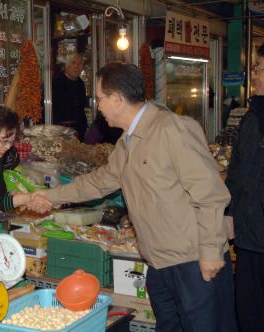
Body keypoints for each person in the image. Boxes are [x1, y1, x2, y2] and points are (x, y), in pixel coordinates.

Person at [35, 62, 237, 331]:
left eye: (101, 98)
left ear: (117, 98)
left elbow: (210, 193)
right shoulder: (127, 142)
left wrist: (211, 251)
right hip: (158, 262)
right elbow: (99, 182)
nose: (99, 106)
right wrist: (51, 195)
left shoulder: (171, 129)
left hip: (193, 262)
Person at [225, 43, 264, 332]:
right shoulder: (250, 119)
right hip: (249, 238)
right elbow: (236, 173)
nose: (254, 73)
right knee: (247, 312)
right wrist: (229, 213)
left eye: (259, 68)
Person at [52, 53, 88, 141]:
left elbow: (81, 107)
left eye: (79, 64)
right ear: (66, 66)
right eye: (73, 63)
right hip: (61, 129)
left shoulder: (81, 84)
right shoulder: (56, 82)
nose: (76, 67)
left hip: (79, 129)